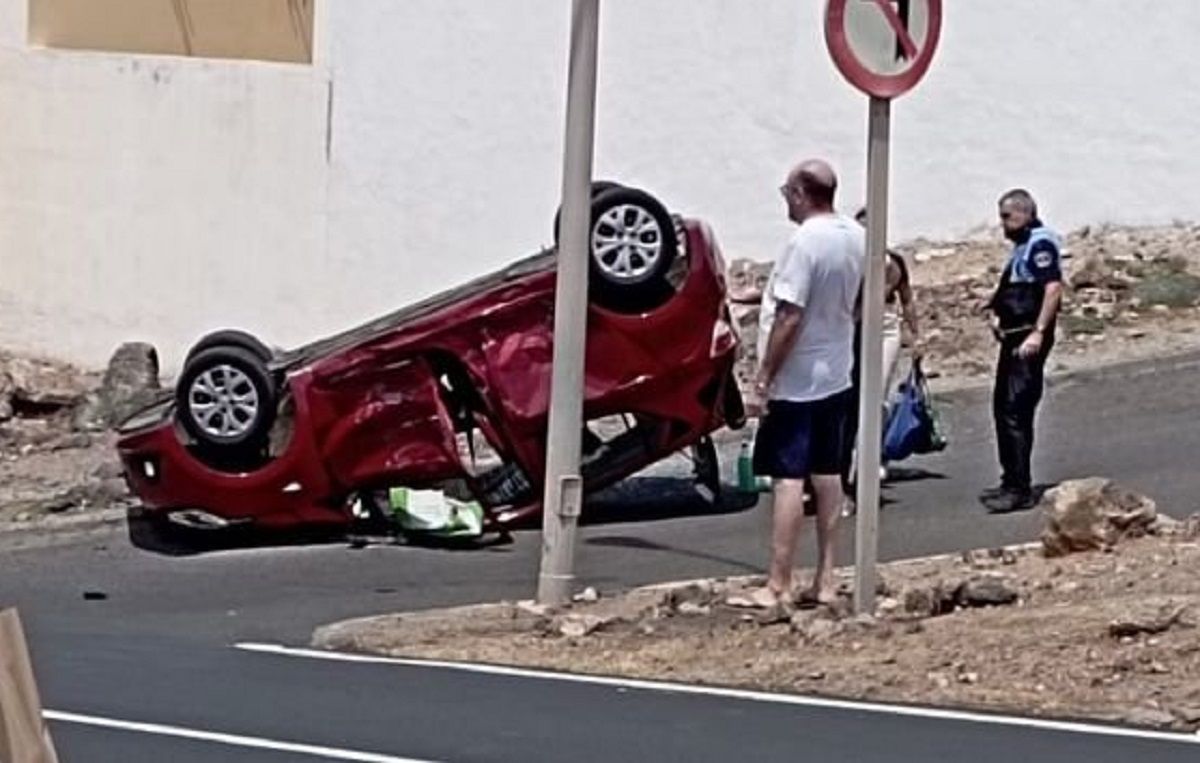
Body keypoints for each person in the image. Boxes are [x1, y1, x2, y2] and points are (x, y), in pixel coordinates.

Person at [734, 159, 864, 608]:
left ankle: (778, 583)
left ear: (799, 194)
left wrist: (764, 377)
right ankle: (827, 579)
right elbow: (867, 295)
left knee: (788, 478)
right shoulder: (855, 236)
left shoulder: (803, 243)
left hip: (798, 380)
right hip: (837, 369)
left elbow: (790, 314)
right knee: (829, 474)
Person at [980, 189, 1063, 512]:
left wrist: (1038, 333)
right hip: (1013, 336)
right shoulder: (1022, 247)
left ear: (1025, 213)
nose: (1003, 224)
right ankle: (1010, 479)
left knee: (1015, 410)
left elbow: (1052, 288)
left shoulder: (1041, 243)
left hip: (1027, 339)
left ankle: (1019, 487)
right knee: (1004, 407)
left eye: (1007, 216)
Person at [840, 207, 920, 504]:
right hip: (856, 327)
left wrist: (915, 335)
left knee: (876, 396)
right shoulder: (852, 261)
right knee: (852, 396)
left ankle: (870, 458)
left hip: (884, 326)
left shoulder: (892, 262)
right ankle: (854, 458)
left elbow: (906, 298)